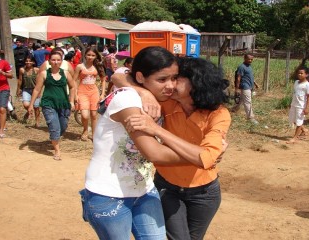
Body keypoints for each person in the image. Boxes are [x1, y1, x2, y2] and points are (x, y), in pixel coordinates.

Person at [112, 54, 231, 240]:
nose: (170, 85)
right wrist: (143, 92)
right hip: (168, 187)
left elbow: (206, 157)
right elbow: (118, 75)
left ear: (196, 83)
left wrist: (157, 130)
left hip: (205, 193)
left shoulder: (219, 114)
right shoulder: (166, 103)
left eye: (176, 78)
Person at [80, 46, 187, 240]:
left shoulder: (161, 99)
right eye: (162, 79)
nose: (170, 85)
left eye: (174, 78)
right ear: (140, 77)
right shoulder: (127, 99)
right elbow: (153, 153)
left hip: (144, 190)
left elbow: (120, 74)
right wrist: (201, 157)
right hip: (108, 194)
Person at [27, 51, 75, 160]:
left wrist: (71, 101)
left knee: (62, 127)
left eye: (58, 60)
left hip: (63, 104)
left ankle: (54, 138)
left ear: (61, 61)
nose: (56, 62)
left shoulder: (65, 73)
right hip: (48, 104)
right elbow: (37, 89)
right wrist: (31, 104)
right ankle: (57, 150)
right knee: (54, 127)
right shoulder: (44, 74)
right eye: (53, 60)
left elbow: (72, 87)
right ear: (49, 61)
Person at [73, 46, 107, 141]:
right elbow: (74, 81)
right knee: (84, 115)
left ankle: (94, 134)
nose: (90, 57)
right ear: (85, 55)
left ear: (96, 56)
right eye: (88, 55)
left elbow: (103, 80)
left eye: (93, 55)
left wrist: (102, 93)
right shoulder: (80, 66)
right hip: (82, 92)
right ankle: (85, 130)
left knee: (94, 114)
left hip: (94, 92)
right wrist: (75, 94)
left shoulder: (98, 67)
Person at [287, 66, 309, 144]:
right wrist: (291, 103)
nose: (299, 74)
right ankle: (304, 130)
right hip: (294, 104)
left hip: (301, 106)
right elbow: (295, 94)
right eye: (298, 73)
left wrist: (307, 108)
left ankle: (295, 138)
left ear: (306, 75)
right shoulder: (296, 82)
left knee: (299, 121)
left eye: (302, 73)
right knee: (293, 120)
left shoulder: (307, 85)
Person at [231, 54, 259, 124]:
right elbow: (238, 78)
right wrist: (237, 89)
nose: (250, 60)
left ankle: (233, 110)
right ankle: (250, 118)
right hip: (245, 86)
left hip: (249, 86)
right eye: (248, 59)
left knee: (241, 101)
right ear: (244, 58)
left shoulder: (249, 66)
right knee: (248, 101)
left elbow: (249, 76)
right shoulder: (241, 67)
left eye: (251, 59)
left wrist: (255, 83)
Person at [16, 55, 40, 126]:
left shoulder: (36, 70)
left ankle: (37, 122)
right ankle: (29, 110)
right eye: (26, 61)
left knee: (36, 107)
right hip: (26, 89)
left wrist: (39, 91)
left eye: (30, 61)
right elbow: (20, 80)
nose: (28, 62)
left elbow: (39, 81)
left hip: (35, 90)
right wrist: (18, 90)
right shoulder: (22, 70)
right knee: (26, 104)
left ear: (33, 62)